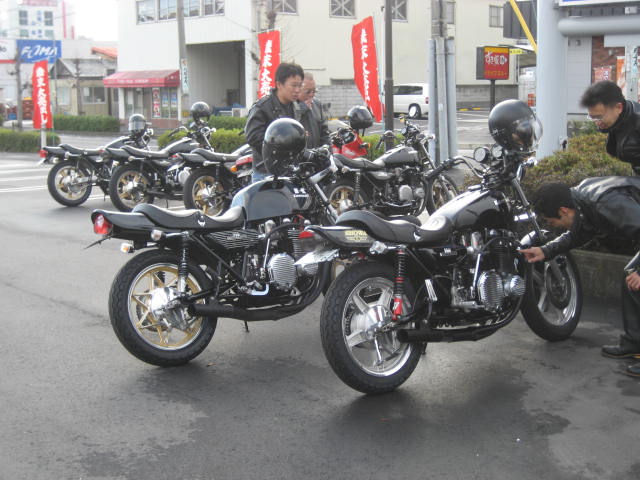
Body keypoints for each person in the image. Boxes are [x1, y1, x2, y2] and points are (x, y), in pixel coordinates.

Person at [519, 177, 640, 378]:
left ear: (563, 211)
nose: (556, 226)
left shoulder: (606, 202)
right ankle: (634, 343)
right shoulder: (582, 201)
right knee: (631, 276)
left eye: (553, 221)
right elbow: (578, 234)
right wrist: (545, 250)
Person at [245, 62, 312, 182]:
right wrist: (279, 144)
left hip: (290, 171)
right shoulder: (262, 107)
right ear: (279, 84)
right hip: (265, 173)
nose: (297, 90)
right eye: (293, 85)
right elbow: (253, 137)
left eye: (299, 85)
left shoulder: (296, 107)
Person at [580, 81, 640, 173]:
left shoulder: (636, 121)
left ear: (619, 108)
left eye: (599, 117)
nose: (597, 123)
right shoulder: (618, 120)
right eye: (592, 117)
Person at [297, 72, 330, 148]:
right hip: (300, 153)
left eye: (314, 91)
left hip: (317, 152)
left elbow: (324, 132)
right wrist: (302, 108)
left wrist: (327, 148)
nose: (311, 94)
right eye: (307, 92)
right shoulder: (291, 105)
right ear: (298, 90)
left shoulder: (317, 104)